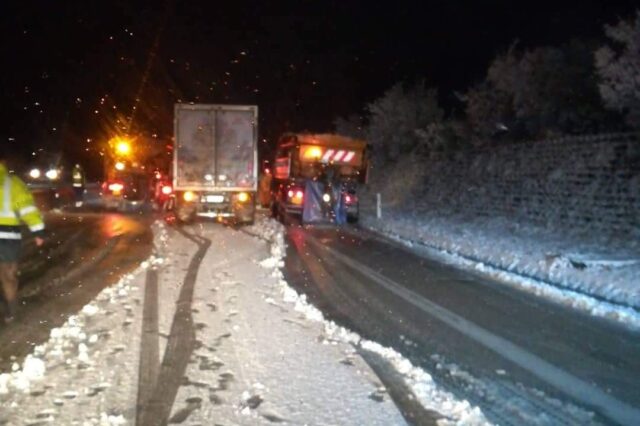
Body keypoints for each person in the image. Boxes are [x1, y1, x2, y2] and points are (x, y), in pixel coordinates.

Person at [0, 153, 45, 323]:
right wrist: (38, 231)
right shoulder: (13, 184)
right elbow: (27, 209)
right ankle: (11, 311)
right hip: (8, 237)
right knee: (8, 275)